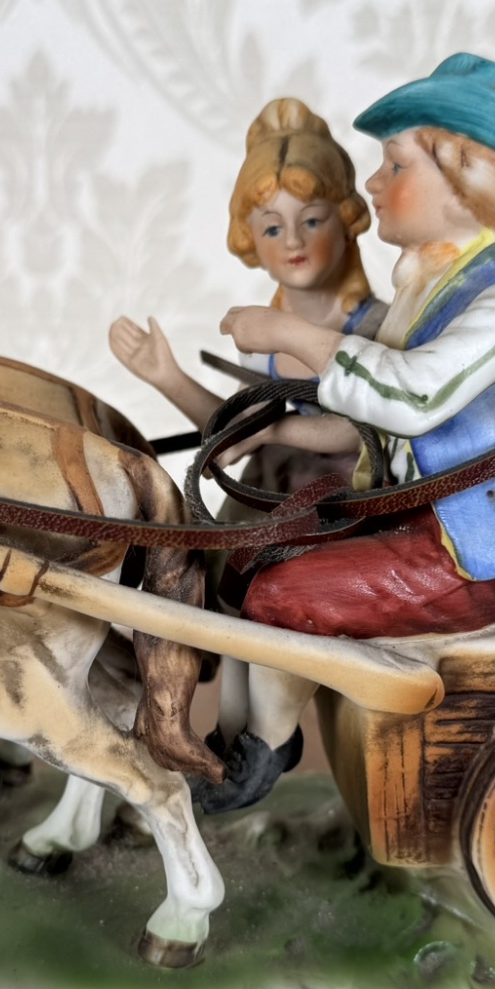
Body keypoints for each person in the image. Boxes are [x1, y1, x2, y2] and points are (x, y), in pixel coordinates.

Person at [212, 54, 495, 805]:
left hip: (480, 548)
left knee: (281, 595)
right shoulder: (429, 283)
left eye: (394, 166)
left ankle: (265, 748)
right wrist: (278, 435)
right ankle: (235, 731)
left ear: (465, 181)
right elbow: (375, 428)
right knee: (247, 551)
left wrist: (291, 333)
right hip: (419, 514)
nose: (375, 185)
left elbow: (411, 396)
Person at [109, 97, 386, 808]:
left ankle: (264, 739)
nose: (293, 241)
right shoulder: (268, 328)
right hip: (263, 497)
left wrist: (274, 432)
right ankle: (232, 735)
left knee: (265, 599)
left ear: (346, 221)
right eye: (272, 227)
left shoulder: (372, 327)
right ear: (249, 238)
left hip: (342, 501)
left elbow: (361, 430)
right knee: (218, 595)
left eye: (311, 220)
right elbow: (234, 429)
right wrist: (166, 376)